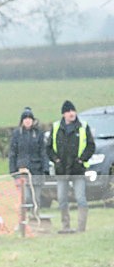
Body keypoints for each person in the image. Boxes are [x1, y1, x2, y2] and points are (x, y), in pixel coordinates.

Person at [47, 100, 95, 233]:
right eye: (68, 111)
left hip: (77, 170)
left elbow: (91, 146)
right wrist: (56, 160)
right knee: (62, 199)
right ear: (63, 114)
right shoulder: (56, 127)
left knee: (81, 199)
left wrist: (81, 160)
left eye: (73, 110)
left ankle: (81, 228)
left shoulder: (83, 126)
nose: (71, 113)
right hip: (61, 170)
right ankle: (65, 226)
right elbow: (49, 148)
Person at [8, 106, 48, 220]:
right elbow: (12, 153)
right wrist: (13, 171)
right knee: (26, 198)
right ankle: (23, 221)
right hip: (22, 171)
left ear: (33, 120)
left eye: (30, 118)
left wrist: (45, 169)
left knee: (37, 199)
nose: (27, 120)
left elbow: (43, 152)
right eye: (25, 118)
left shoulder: (39, 134)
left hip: (37, 170)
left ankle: (36, 219)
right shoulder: (17, 134)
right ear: (22, 121)